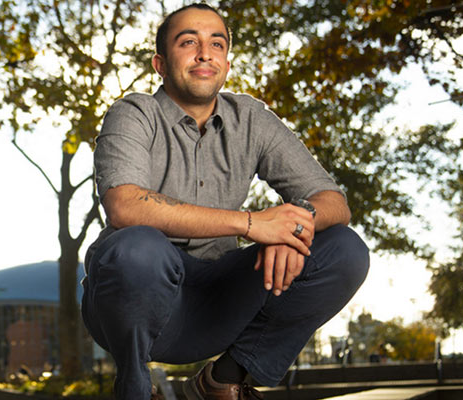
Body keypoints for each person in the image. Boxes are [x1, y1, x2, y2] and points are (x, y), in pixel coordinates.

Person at [80, 3, 370, 399]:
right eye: (188, 42)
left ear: (226, 65)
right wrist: (253, 224)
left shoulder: (250, 118)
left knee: (343, 248)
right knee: (136, 246)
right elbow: (125, 206)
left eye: (216, 43)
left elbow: (333, 201)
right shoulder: (134, 113)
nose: (204, 53)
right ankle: (133, 385)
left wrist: (291, 229)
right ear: (160, 65)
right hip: (139, 304)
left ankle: (223, 379)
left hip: (221, 301)